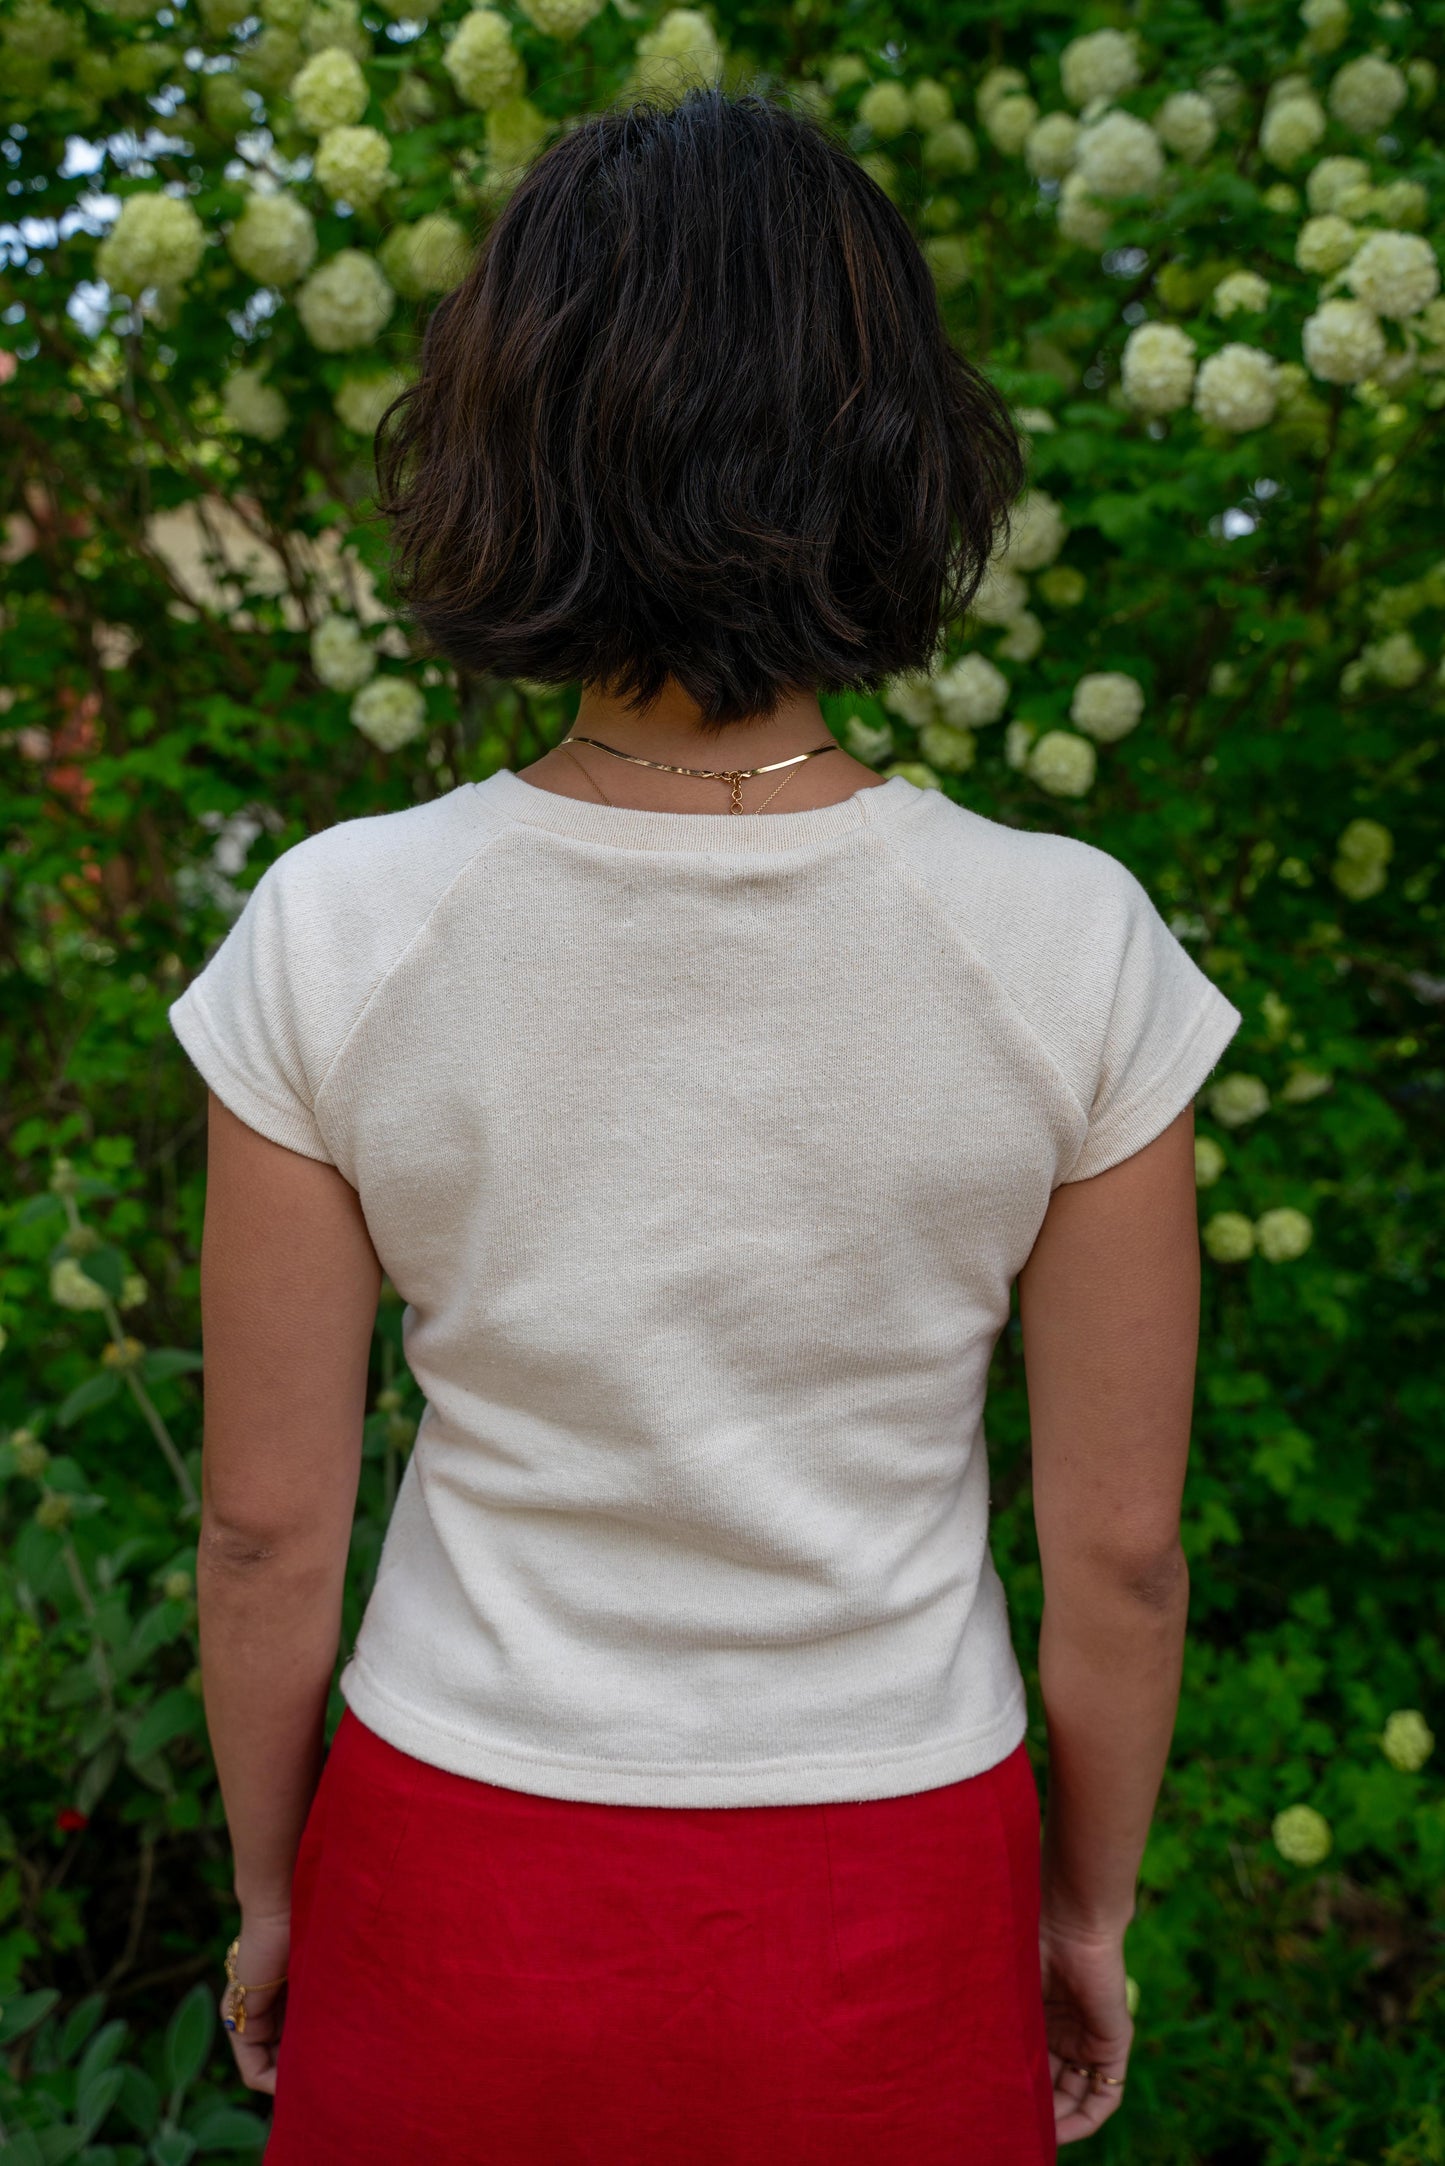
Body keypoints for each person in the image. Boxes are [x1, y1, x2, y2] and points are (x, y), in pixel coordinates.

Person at [170, 86, 1241, 2163]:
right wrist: (1087, 1911)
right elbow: (1117, 1559)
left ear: (509, 443)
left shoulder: (343, 927)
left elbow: (265, 1534)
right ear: (896, 452)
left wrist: (282, 1892)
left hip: (451, 1869)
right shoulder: (1067, 944)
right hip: (900, 1887)